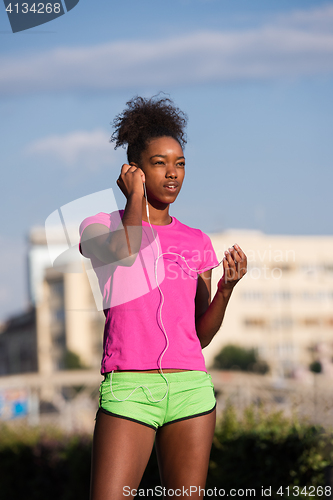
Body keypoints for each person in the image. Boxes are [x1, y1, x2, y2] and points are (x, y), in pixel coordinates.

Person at [79, 95, 247, 500]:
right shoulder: (98, 227)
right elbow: (127, 249)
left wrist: (226, 288)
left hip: (190, 388)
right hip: (129, 390)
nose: (173, 174)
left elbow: (200, 335)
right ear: (133, 170)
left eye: (180, 163)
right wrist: (133, 197)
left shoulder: (196, 241)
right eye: (159, 163)